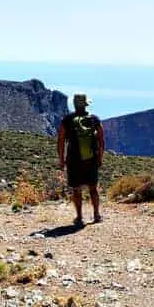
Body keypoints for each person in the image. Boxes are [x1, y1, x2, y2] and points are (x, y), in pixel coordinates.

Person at [57, 93, 104, 227]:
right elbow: (101, 140)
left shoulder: (67, 120)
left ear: (74, 104)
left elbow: (61, 141)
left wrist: (61, 159)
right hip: (91, 158)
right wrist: (100, 157)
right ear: (85, 104)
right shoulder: (94, 119)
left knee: (76, 189)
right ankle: (96, 215)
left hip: (73, 159)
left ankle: (79, 217)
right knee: (93, 188)